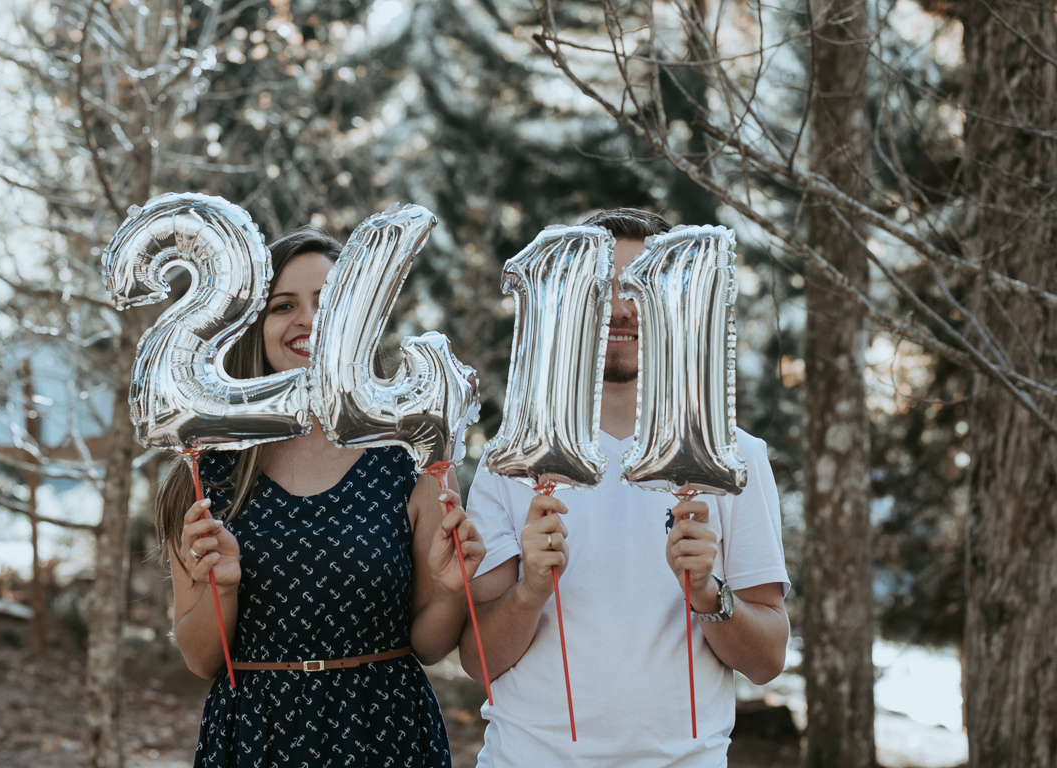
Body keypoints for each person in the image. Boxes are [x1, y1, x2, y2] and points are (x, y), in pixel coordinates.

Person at [458, 208, 790, 766]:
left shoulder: (735, 457)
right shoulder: (510, 458)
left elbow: (767, 660)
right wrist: (530, 592)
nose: (619, 308)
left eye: (639, 289)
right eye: (600, 289)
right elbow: (477, 661)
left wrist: (710, 596)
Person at [153, 226, 485, 768]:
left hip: (385, 731)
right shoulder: (206, 471)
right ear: (254, 325)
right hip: (257, 736)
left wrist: (451, 592)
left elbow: (428, 645)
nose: (308, 320)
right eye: (284, 305)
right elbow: (199, 657)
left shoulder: (409, 457)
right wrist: (226, 588)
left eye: (328, 301)